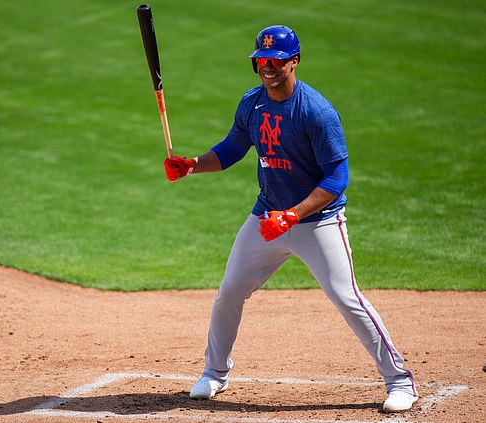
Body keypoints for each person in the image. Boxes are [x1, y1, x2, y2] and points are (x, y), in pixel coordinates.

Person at [163, 25, 418, 413]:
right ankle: (215, 373)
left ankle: (400, 381)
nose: (268, 67)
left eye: (277, 61)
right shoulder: (252, 104)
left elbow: (337, 178)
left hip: (317, 222)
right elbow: (233, 148)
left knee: (346, 297)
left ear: (294, 62)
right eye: (261, 61)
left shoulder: (315, 112)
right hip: (266, 218)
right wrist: (192, 165)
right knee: (230, 291)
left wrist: (293, 215)